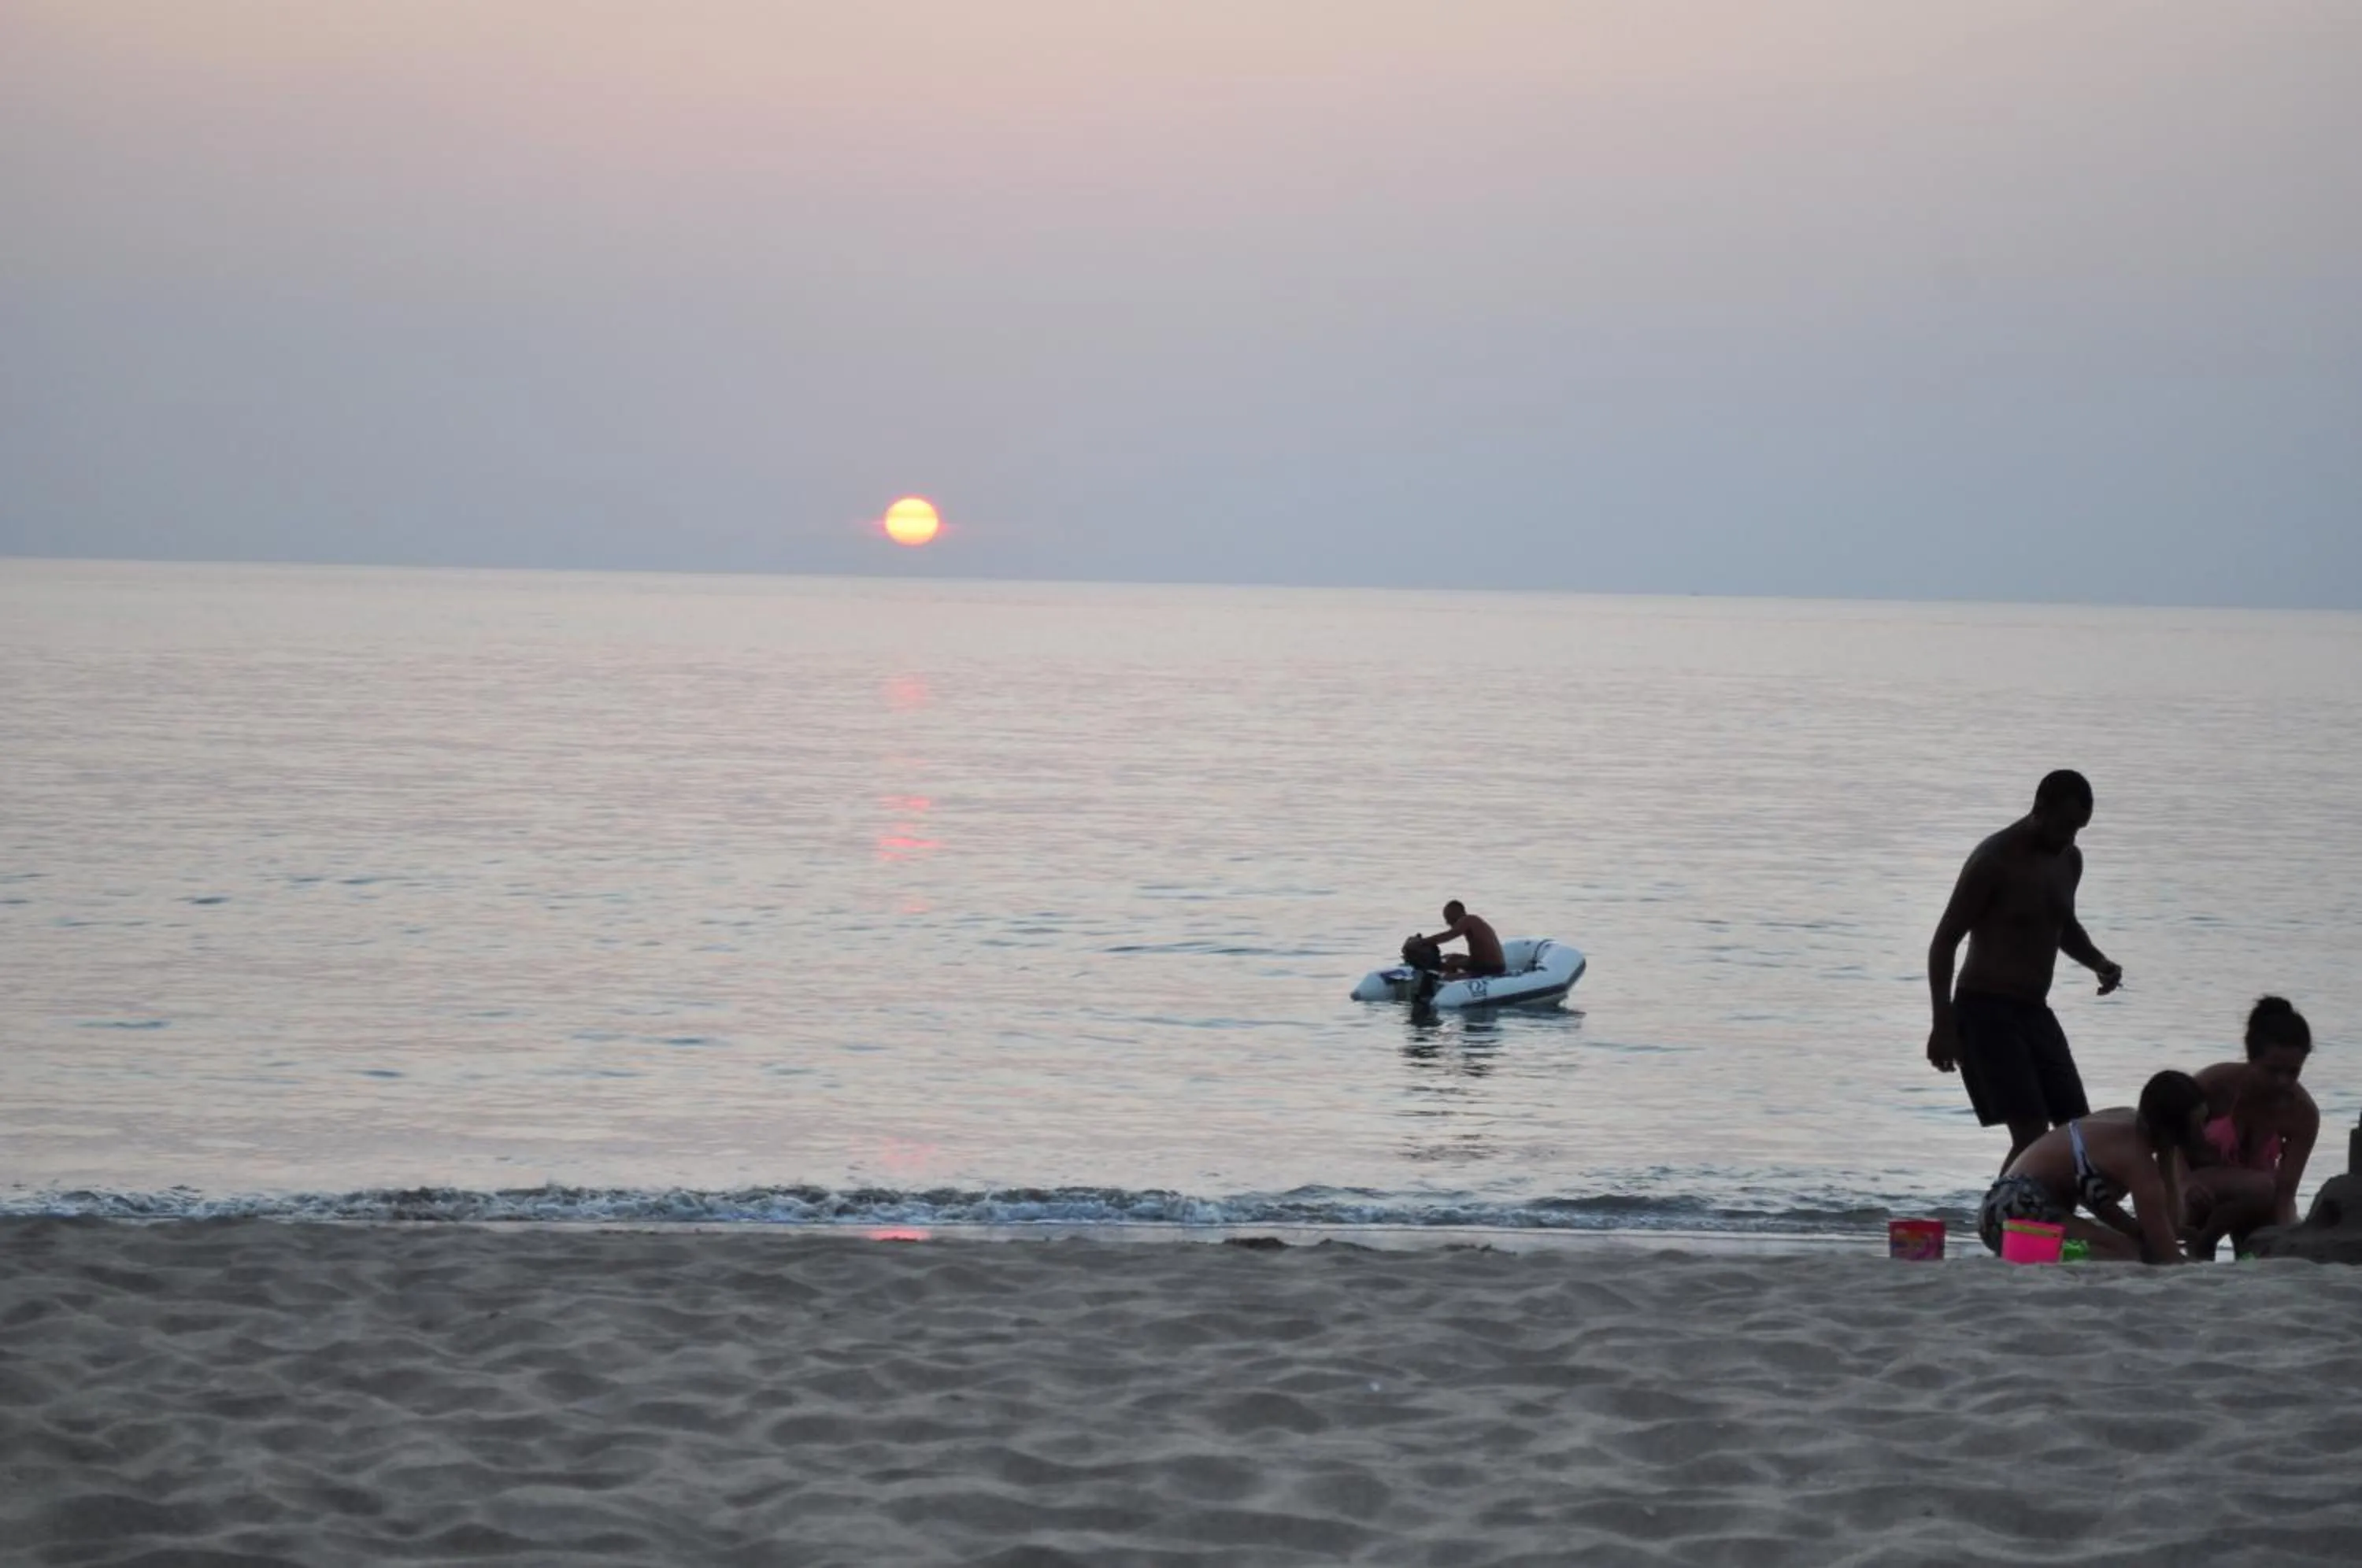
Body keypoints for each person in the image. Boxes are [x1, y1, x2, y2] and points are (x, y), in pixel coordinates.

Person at [1926, 770, 2125, 1171]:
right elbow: (1944, 942)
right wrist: (1942, 1025)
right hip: (1984, 1011)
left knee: (2075, 1131)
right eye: (2065, 826)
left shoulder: (2069, 860)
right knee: (2031, 1134)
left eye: (2079, 828)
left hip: (2034, 1010)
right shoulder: (1993, 861)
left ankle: (2050, 1211)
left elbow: (2061, 924)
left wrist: (2098, 962)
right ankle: (2003, 1209)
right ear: (2039, 810)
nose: (2070, 838)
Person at [1977, 1071, 2211, 1263]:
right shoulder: (2137, 1161)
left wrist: (2167, 1157)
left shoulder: (2125, 1118)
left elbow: (2163, 1230)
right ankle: (2027, 1253)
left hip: (1998, 1206)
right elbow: (2167, 1255)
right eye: (2198, 1125)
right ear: (2171, 1130)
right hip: (2019, 1207)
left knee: (2125, 1247)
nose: (2204, 1135)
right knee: (2127, 1254)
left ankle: (2029, 1252)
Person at [2182, 997, 2319, 1258]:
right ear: (2251, 1058)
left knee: (2265, 1247)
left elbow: (2286, 1193)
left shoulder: (2303, 1113)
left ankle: (2236, 1251)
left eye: (2293, 1072)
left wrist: (2287, 1241)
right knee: (2260, 1187)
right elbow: (2168, 1143)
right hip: (2194, 1188)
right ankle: (2202, 1243)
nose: (2282, 1082)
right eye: (2272, 1071)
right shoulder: (2213, 1085)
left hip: (2255, 1200)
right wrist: (2185, 1183)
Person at [1412, 900, 1505, 978]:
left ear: (1456, 913)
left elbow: (1449, 935)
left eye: (1448, 917)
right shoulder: (1475, 921)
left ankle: (1448, 980)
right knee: (1452, 957)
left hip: (1488, 967)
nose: (1447, 922)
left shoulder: (1468, 920)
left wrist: (1422, 942)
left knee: (1449, 964)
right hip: (1490, 964)